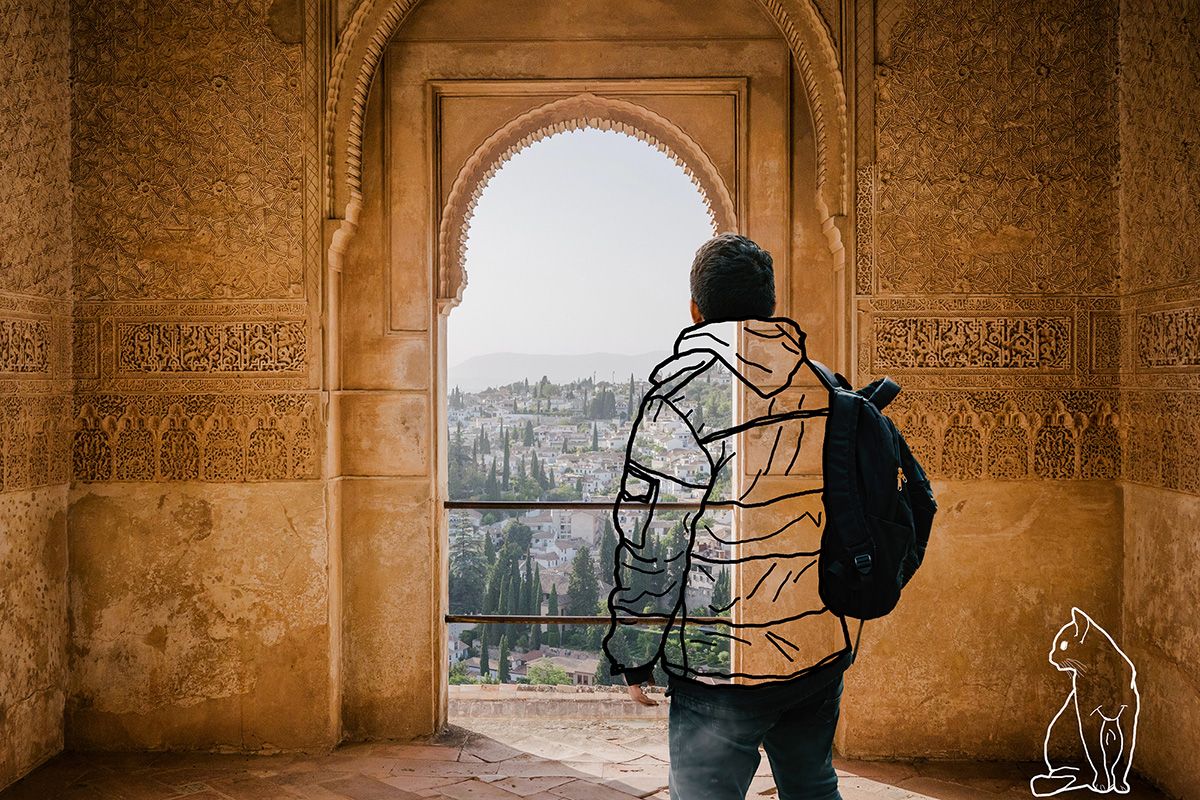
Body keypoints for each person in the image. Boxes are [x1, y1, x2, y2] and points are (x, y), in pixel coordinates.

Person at [603, 233, 852, 800]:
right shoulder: (826, 384)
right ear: (770, 304)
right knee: (813, 784)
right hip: (816, 642)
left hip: (721, 661)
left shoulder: (679, 394)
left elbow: (651, 537)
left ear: (696, 310)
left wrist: (635, 652)